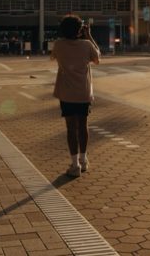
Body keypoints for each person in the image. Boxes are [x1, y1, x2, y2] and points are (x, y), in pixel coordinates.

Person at [51, 15, 100, 177]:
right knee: (83, 126)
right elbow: (97, 58)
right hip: (83, 92)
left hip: (66, 93)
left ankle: (75, 165)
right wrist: (89, 35)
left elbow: (53, 57)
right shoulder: (86, 45)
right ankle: (84, 160)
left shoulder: (58, 45)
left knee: (70, 128)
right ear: (80, 30)